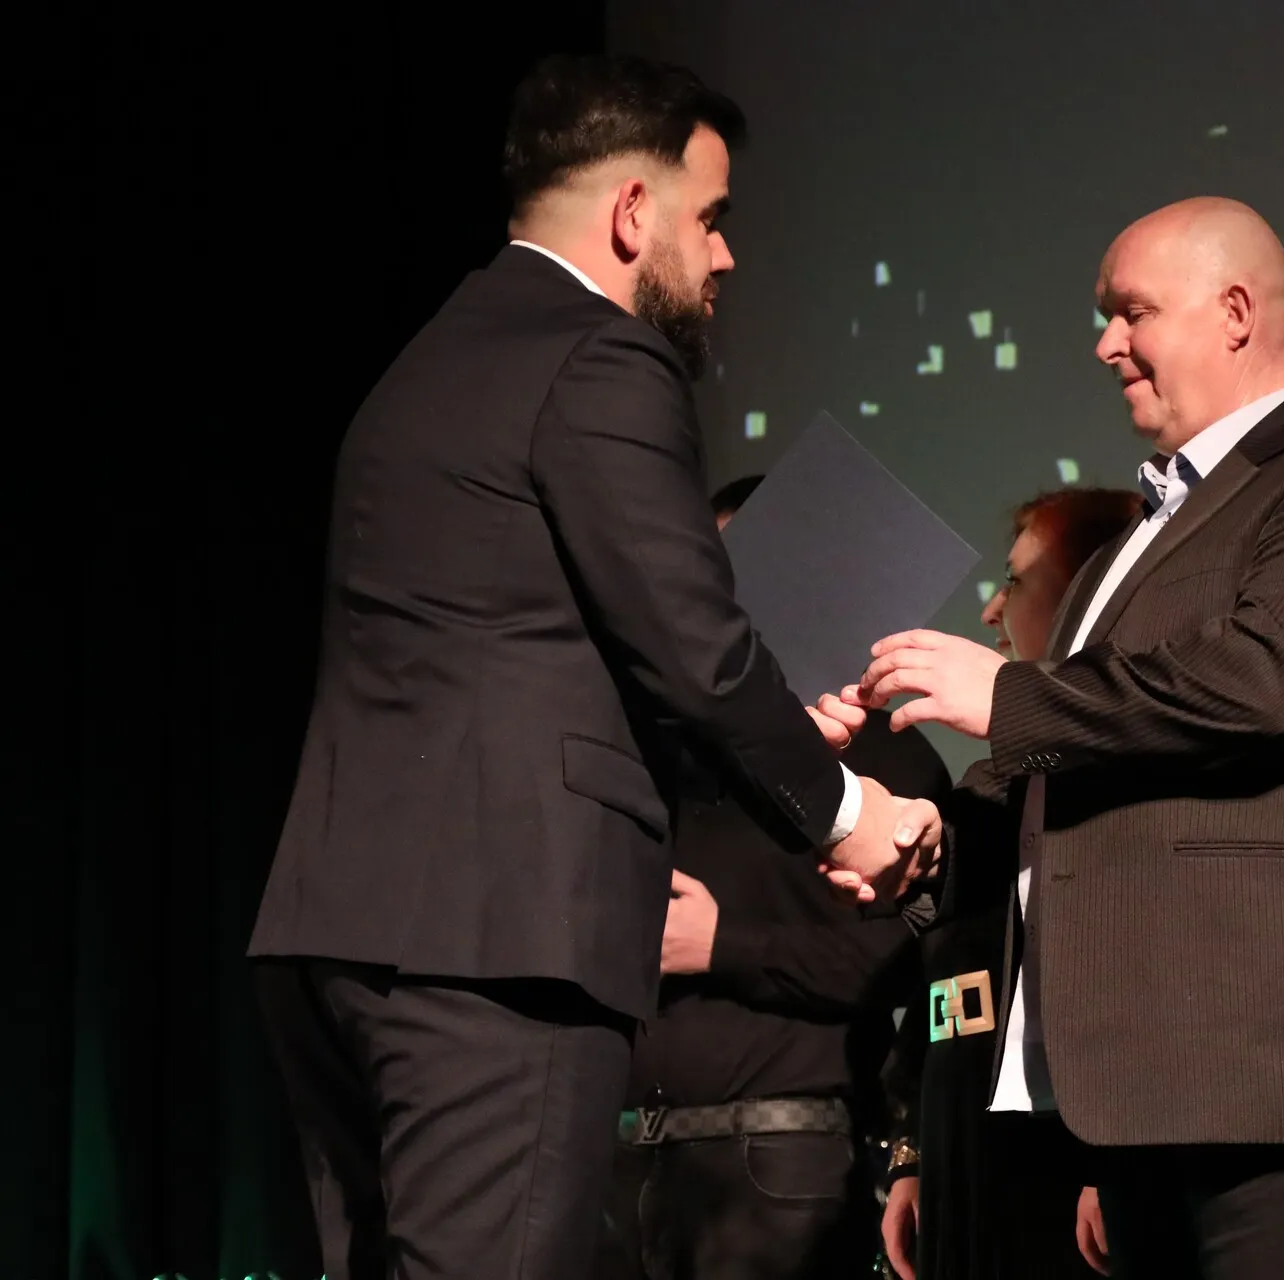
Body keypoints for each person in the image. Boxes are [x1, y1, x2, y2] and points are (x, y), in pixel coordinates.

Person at [247, 57, 938, 1280]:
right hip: (500, 944)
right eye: (710, 218)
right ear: (631, 212)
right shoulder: (602, 357)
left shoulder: (432, 361)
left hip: (345, 934)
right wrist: (849, 813)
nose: (725, 256)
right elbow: (697, 648)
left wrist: (768, 738)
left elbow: (516, 653)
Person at [835, 197, 1284, 1280]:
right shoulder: (1124, 553)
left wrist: (1009, 695)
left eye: (1133, 312)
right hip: (1131, 1104)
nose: (1106, 343)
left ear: (1236, 313)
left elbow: (1263, 685)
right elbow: (1067, 779)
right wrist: (914, 836)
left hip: (1272, 1080)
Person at [597, 476, 952, 1280]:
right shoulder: (664, 756)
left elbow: (906, 956)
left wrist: (723, 946)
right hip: (623, 1159)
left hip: (781, 1157)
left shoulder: (883, 750)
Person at [878, 488, 1140, 1280]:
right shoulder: (992, 786)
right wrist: (914, 1153)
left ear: (1087, 596)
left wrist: (1116, 1164)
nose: (991, 610)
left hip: (1066, 1176)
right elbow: (941, 981)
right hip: (966, 1159)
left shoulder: (1126, 785)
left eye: (1017, 581)